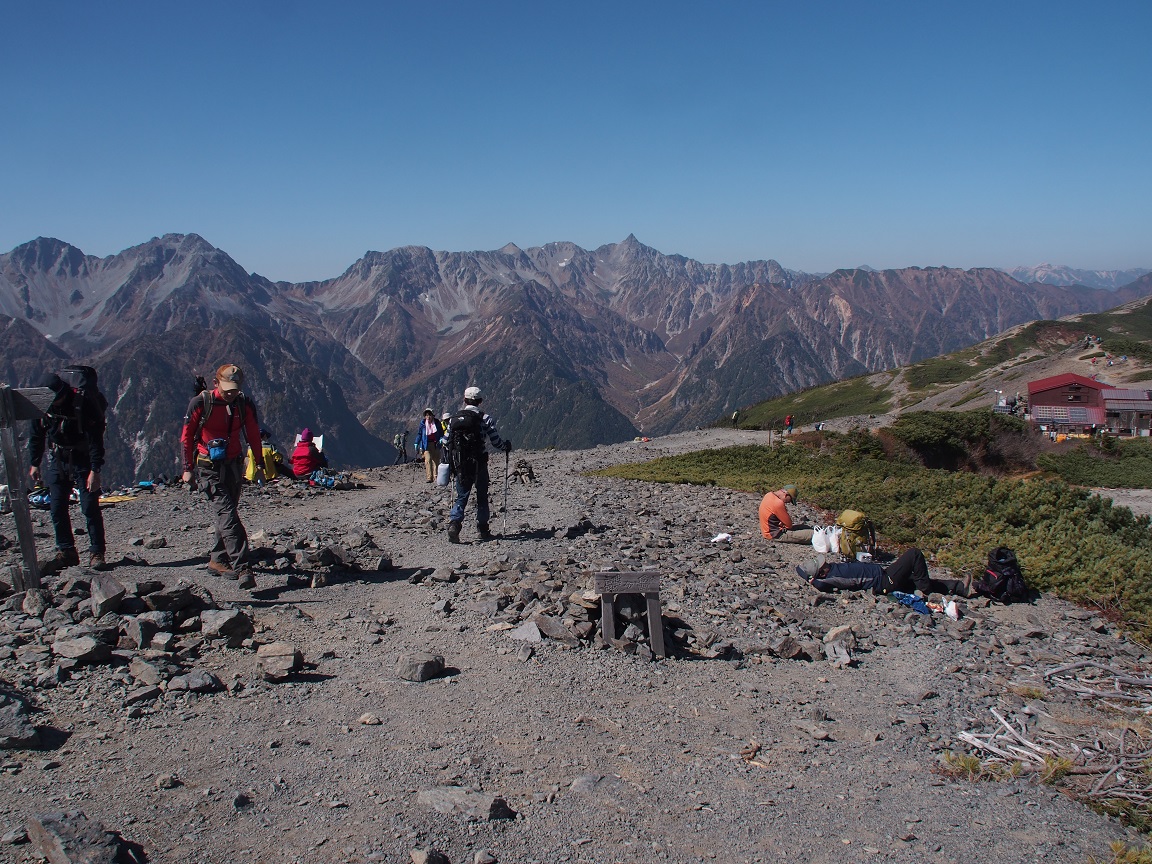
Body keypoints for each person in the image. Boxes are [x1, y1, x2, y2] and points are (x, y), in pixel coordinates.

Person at [181, 364, 264, 589]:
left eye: (235, 389)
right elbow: (187, 437)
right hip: (209, 467)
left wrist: (259, 464)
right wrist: (188, 468)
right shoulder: (201, 403)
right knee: (227, 513)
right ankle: (242, 566)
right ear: (216, 383)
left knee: (227, 513)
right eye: (228, 389)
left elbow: (254, 434)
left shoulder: (242, 403)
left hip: (234, 464)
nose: (231, 394)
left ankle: (218, 559)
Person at [28, 371, 109, 571]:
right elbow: (36, 434)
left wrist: (95, 469)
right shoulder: (45, 407)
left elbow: (95, 439)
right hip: (59, 459)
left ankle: (97, 551)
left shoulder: (82, 405)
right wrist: (35, 462)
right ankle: (67, 551)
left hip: (83, 460)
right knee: (56, 507)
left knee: (89, 506)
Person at [444, 386, 510, 543]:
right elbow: (495, 441)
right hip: (479, 462)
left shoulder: (454, 419)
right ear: (480, 401)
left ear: (464, 400)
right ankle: (483, 529)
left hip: (460, 464)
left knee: (462, 496)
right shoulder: (485, 418)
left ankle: (455, 523)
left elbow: (445, 442)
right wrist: (505, 446)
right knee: (481, 496)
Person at [797, 547, 973, 597]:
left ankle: (959, 588)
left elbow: (798, 568)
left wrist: (807, 574)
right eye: (823, 566)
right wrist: (812, 580)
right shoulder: (829, 579)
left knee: (917, 579)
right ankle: (926, 591)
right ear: (821, 574)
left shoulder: (829, 571)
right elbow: (820, 585)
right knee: (914, 554)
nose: (826, 563)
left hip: (883, 574)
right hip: (884, 582)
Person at [415, 409, 444, 484]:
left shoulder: (437, 423)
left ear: (433, 416)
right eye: (427, 415)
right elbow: (420, 434)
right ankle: (429, 477)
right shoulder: (423, 424)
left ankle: (436, 476)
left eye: (429, 415)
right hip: (426, 444)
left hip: (436, 444)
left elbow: (441, 433)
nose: (428, 417)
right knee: (428, 460)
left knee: (436, 461)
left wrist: (441, 439)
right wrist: (416, 443)